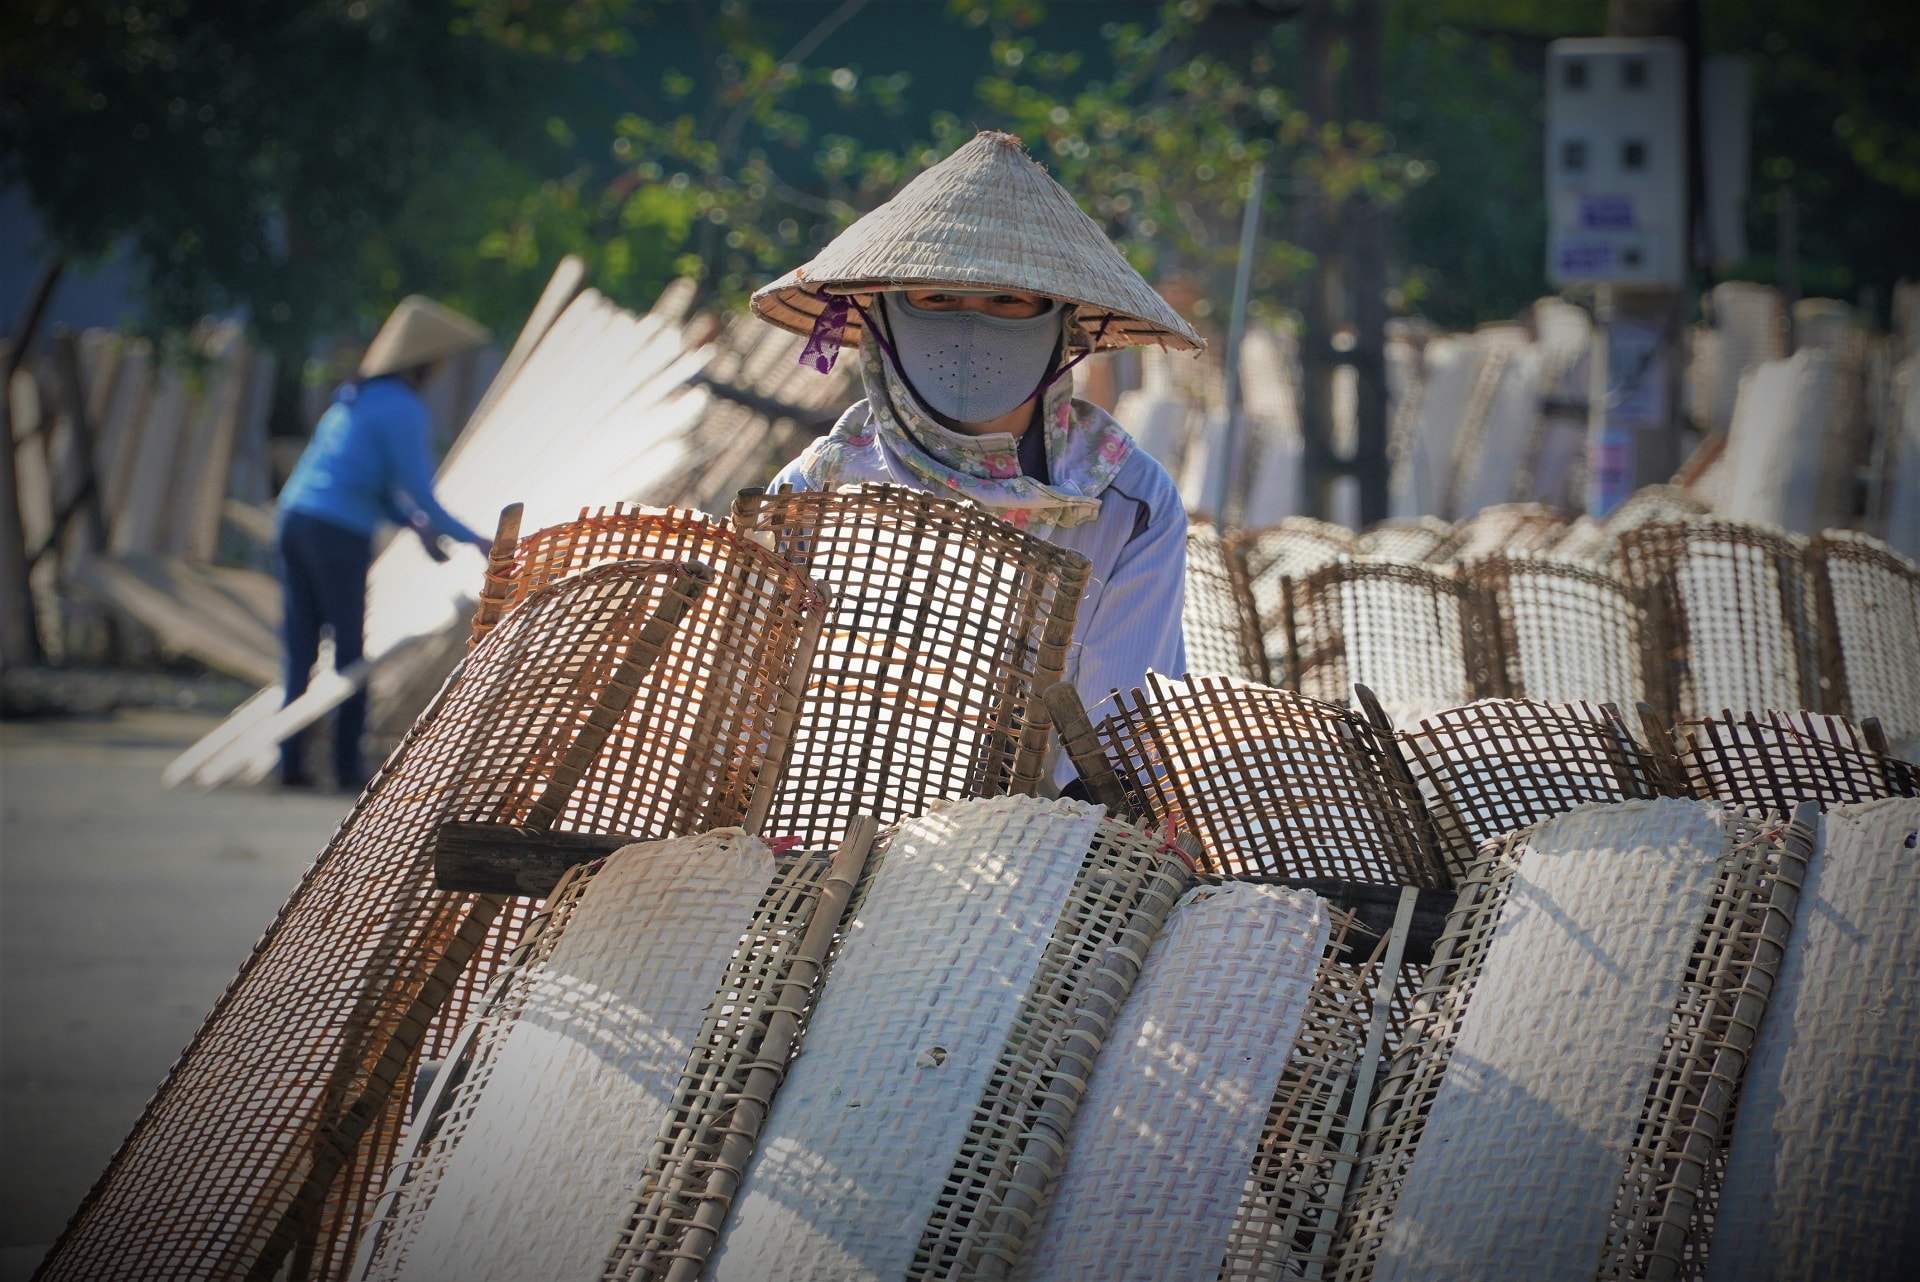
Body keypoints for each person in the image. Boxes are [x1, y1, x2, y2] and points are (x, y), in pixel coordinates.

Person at [750, 130, 1204, 792]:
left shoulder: (1128, 502)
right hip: (824, 827)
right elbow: (757, 715)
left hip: (1042, 849)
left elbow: (1116, 744)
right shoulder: (816, 491)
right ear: (883, 318)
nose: (970, 328)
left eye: (1007, 301)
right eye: (937, 299)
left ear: (1061, 326)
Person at [273, 295, 493, 790]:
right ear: (424, 362)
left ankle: (289, 765)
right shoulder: (404, 409)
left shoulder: (354, 398)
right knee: (350, 652)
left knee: (301, 649)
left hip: (295, 520)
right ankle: (348, 769)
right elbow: (421, 493)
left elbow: (373, 487)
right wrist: (474, 538)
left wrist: (414, 524)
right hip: (336, 533)